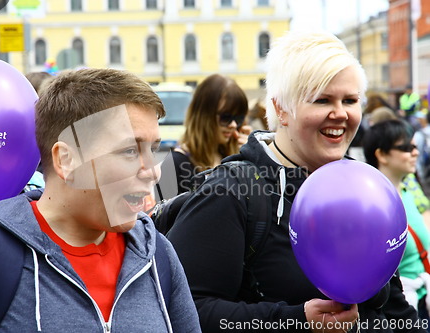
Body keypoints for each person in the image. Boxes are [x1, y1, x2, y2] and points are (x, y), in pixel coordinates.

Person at [167, 30, 424, 332]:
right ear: (280, 109)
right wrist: (296, 320)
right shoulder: (230, 191)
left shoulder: (365, 187)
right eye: (321, 100)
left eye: (350, 100)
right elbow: (186, 309)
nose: (340, 113)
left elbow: (394, 310)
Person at [0, 68, 201, 332]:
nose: (153, 171)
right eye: (130, 150)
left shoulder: (158, 254)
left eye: (153, 149)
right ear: (66, 160)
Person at [363, 119, 430, 327]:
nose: (415, 153)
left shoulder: (406, 192)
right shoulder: (370, 205)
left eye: (415, 147)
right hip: (400, 310)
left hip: (422, 300)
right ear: (381, 154)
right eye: (406, 148)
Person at [172, 73, 251, 193]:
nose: (233, 125)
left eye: (239, 118)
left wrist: (251, 159)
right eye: (226, 117)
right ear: (203, 116)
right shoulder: (175, 164)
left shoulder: (234, 159)